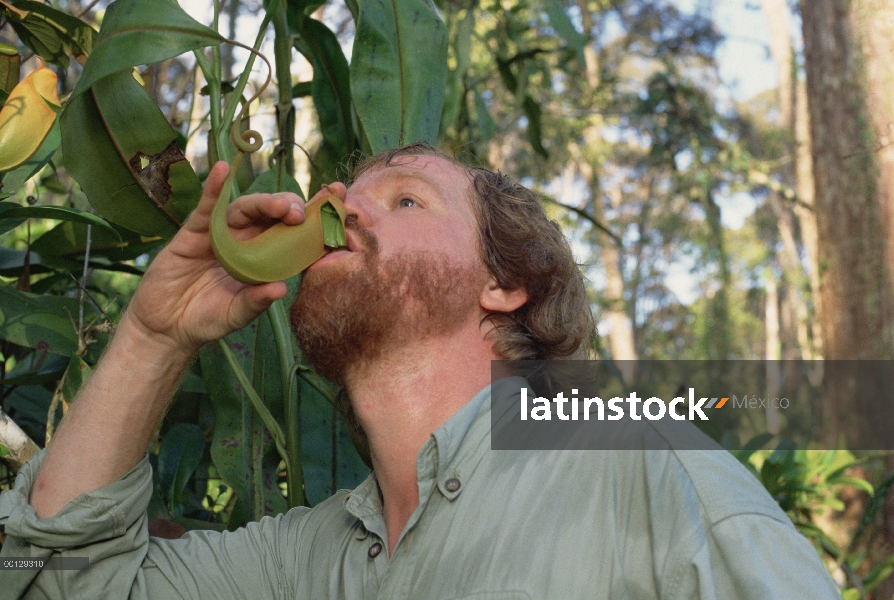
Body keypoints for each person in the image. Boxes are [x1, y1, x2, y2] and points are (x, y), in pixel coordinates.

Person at [0, 143, 839, 599]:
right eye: (345, 191)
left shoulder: (642, 476)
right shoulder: (305, 560)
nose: (341, 205)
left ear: (506, 285)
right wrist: (155, 333)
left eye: (404, 199)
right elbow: (53, 582)